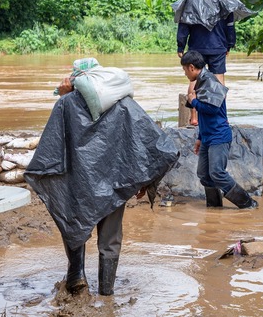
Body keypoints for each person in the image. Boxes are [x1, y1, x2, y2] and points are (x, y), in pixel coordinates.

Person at [25, 71, 178, 296]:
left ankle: (77, 275)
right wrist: (144, 180)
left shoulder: (66, 104)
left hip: (78, 184)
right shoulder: (125, 105)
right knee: (110, 238)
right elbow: (157, 145)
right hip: (115, 183)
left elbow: (52, 148)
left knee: (74, 224)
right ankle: (107, 292)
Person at [181, 50, 258, 209]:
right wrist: (200, 138)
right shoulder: (201, 81)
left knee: (217, 173)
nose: (185, 74)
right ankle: (214, 208)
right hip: (208, 136)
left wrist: (194, 101)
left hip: (218, 135)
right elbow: (204, 115)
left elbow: (212, 110)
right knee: (204, 174)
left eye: (184, 70)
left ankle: (248, 203)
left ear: (192, 67)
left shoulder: (210, 81)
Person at [176, 0, 236, 126]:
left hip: (197, 48)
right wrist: (230, 43)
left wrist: (180, 45)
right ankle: (222, 117)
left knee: (194, 79)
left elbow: (184, 24)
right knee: (219, 81)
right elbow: (230, 25)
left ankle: (194, 118)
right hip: (218, 46)